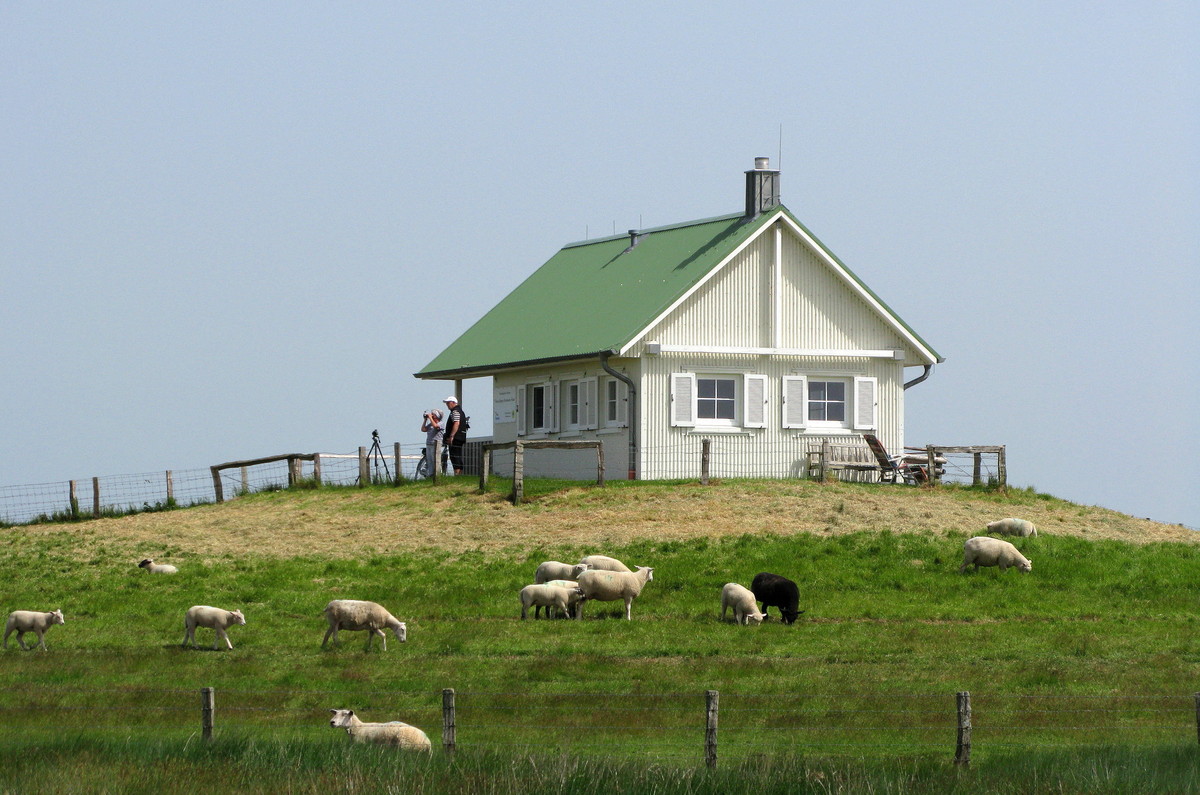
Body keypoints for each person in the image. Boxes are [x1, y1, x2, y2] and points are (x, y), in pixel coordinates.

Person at [442, 396, 466, 476]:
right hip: (461, 436)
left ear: (453, 403)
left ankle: (457, 474)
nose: (447, 405)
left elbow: (456, 423)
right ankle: (459, 474)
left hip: (456, 438)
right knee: (458, 455)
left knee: (454, 456)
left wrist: (451, 436)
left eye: (448, 403)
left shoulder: (455, 411)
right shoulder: (460, 411)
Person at [420, 408, 443, 478]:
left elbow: (436, 427)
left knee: (435, 461)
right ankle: (431, 475)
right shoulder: (430, 424)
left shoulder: (441, 423)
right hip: (429, 444)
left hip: (435, 445)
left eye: (433, 414)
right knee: (429, 461)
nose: (432, 415)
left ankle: (438, 475)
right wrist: (425, 420)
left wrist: (430, 418)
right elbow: (423, 429)